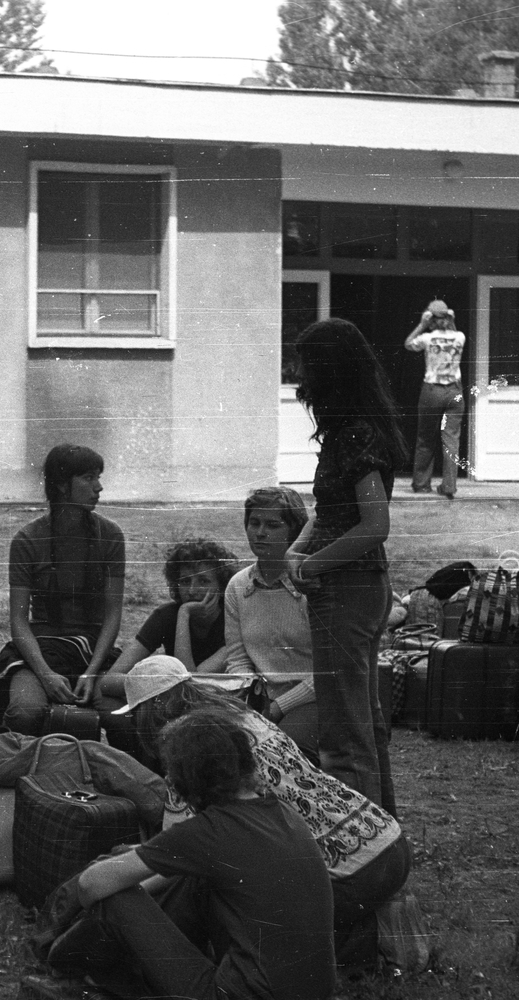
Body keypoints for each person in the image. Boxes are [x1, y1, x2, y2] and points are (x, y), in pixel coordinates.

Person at [33, 709, 334, 1000]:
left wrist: (126, 909)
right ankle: (108, 970)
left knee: (114, 896)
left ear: (186, 780)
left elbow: (92, 884)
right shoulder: (282, 813)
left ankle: (63, 966)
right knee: (179, 878)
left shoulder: (209, 831)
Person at [128, 659, 410, 974]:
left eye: (137, 713)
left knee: (218, 884)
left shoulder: (191, 752)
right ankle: (364, 937)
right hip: (387, 842)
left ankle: (356, 946)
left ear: (156, 703)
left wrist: (126, 889)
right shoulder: (245, 716)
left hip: (350, 876)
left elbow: (171, 862)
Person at [288, 318, 405, 816]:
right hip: (357, 586)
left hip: (348, 589)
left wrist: (312, 564)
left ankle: (361, 848)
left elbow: (375, 524)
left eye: (306, 366)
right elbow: (333, 512)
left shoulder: (356, 433)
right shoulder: (351, 432)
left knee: (343, 727)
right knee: (363, 719)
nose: (299, 379)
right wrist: (297, 548)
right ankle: (383, 829)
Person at [0, 444, 126, 736]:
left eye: (98, 478)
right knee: (24, 712)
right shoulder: (27, 540)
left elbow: (112, 615)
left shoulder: (111, 535)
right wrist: (45, 674)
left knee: (121, 716)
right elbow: (18, 622)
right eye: (89, 478)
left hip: (93, 650)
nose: (99, 487)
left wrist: (92, 672)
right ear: (62, 486)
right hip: (41, 650)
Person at [220, 487, 317, 755]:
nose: (260, 532)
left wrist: (277, 708)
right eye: (254, 522)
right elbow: (238, 660)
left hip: (312, 699)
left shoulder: (310, 585)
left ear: (294, 532)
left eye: (273, 525)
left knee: (280, 750)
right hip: (260, 699)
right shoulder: (238, 586)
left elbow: (327, 670)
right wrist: (250, 701)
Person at [101, 539, 236, 699]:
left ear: (221, 587)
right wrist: (157, 685)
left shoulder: (233, 621)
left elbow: (190, 683)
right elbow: (109, 681)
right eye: (185, 581)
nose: (192, 591)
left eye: (203, 581)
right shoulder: (166, 615)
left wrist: (184, 613)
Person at [404, 299, 466, 500]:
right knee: (451, 440)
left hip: (432, 391)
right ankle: (449, 485)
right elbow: (453, 331)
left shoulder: (427, 339)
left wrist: (422, 324)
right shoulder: (460, 337)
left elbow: (408, 344)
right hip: (454, 392)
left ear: (430, 318)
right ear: (449, 317)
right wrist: (451, 318)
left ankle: (422, 484)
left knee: (426, 438)